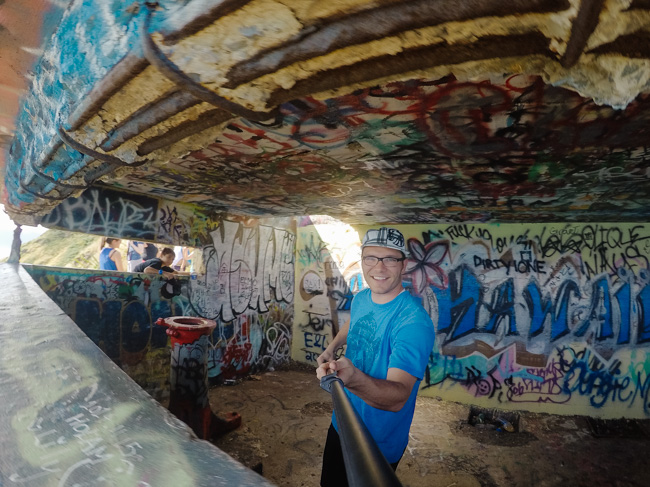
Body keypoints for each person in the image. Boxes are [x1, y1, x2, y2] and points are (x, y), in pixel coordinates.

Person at [316, 227, 435, 487]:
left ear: (403, 265)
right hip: (343, 420)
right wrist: (332, 347)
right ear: (362, 261)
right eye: (371, 258)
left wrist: (354, 378)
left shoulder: (413, 322)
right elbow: (353, 322)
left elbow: (397, 398)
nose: (379, 268)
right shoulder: (362, 298)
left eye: (390, 259)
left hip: (377, 440)